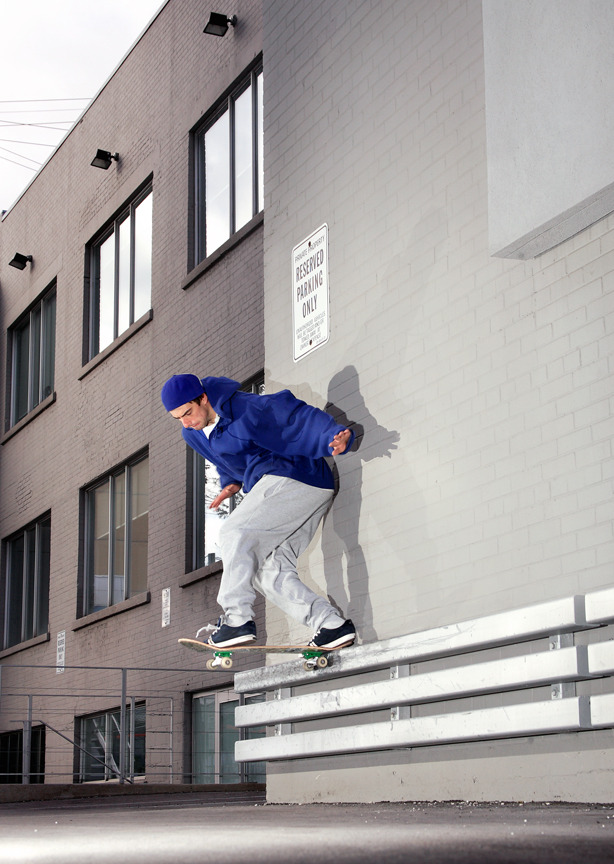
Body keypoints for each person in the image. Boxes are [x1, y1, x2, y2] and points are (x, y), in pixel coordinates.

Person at [161, 373, 357, 650]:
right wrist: (230, 482)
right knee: (268, 572)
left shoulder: (243, 408)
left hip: (294, 475)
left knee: (234, 533)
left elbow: (292, 416)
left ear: (203, 398)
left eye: (188, 413)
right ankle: (331, 626)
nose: (186, 422)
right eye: (178, 418)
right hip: (296, 492)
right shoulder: (192, 433)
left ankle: (237, 619)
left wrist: (330, 435)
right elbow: (222, 458)